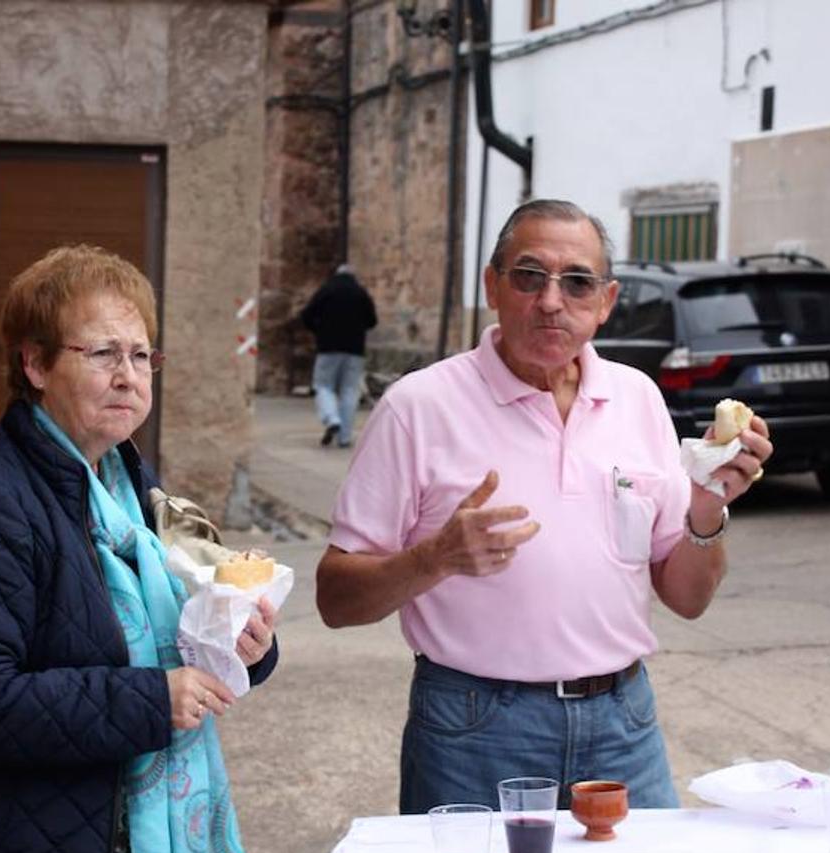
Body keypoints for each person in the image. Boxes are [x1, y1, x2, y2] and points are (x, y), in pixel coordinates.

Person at [314, 199, 773, 813]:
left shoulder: (637, 399)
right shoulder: (417, 407)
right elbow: (335, 600)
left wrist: (709, 504)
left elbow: (687, 598)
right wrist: (436, 558)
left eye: (577, 282)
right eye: (530, 277)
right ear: (493, 287)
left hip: (624, 723)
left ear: (606, 302)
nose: (552, 301)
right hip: (474, 728)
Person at [0, 245, 279, 853]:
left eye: (141, 356)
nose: (128, 377)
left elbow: (184, 629)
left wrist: (244, 646)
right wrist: (153, 701)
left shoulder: (132, 490)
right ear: (35, 363)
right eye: (103, 354)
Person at [300, 262, 378, 448]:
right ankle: (345, 437)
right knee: (349, 391)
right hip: (354, 350)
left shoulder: (327, 290)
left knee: (323, 385)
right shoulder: (361, 293)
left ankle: (332, 418)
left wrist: (318, 330)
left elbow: (306, 315)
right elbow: (372, 320)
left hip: (328, 348)